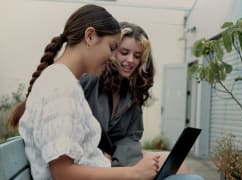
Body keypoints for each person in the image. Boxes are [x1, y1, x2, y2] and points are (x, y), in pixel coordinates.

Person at [9, 5, 161, 180]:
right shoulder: (60, 86)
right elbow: (62, 173)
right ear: (90, 37)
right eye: (112, 48)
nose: (113, 58)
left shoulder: (65, 83)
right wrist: (132, 173)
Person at [80, 22, 204, 179]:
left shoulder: (132, 92)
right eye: (124, 52)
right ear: (111, 51)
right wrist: (99, 155)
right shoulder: (90, 80)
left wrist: (123, 163)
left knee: (178, 165)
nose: (131, 60)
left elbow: (131, 137)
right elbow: (75, 127)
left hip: (116, 158)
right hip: (88, 158)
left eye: (137, 56)